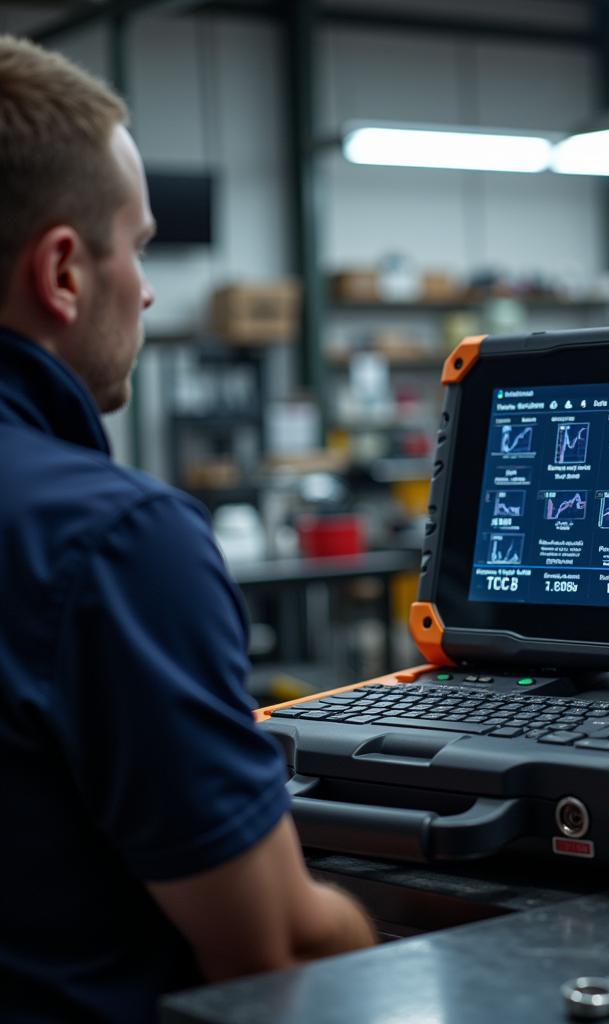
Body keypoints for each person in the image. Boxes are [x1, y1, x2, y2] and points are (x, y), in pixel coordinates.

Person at [0, 35, 375, 1023]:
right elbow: (277, 948)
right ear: (65, 271)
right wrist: (430, 934)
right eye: (141, 244)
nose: (151, 288)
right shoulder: (112, 537)